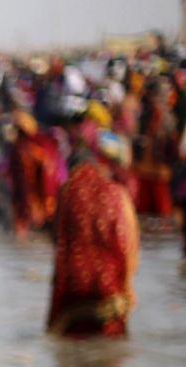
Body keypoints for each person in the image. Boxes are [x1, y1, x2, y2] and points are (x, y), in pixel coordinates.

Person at [48, 134, 141, 338]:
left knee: (71, 351)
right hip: (108, 287)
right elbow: (128, 241)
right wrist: (127, 285)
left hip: (72, 286)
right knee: (109, 356)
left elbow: (56, 238)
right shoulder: (117, 193)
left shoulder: (67, 192)